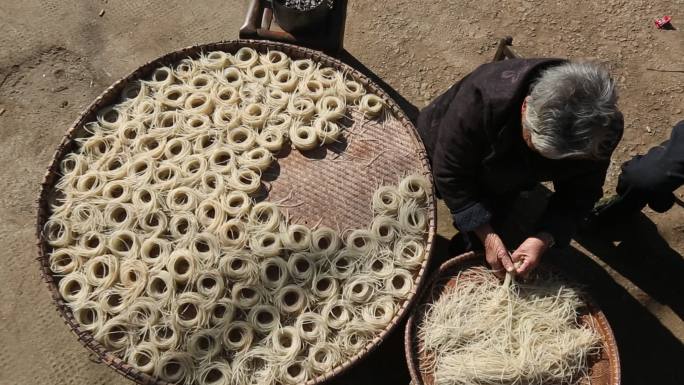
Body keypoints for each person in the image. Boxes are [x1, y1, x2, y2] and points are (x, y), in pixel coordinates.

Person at [417, 59, 623, 277]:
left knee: (480, 239)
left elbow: (582, 192)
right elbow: (449, 170)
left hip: (506, 177)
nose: (545, 160)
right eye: (533, 144)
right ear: (525, 106)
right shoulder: (486, 97)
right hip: (441, 144)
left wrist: (544, 237)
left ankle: (468, 249)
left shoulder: (600, 132)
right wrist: (486, 234)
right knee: (418, 198)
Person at [592, 120, 684, 221]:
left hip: (631, 170)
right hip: (651, 186)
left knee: (628, 196)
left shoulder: (681, 127)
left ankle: (602, 213)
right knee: (662, 203)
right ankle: (610, 218)